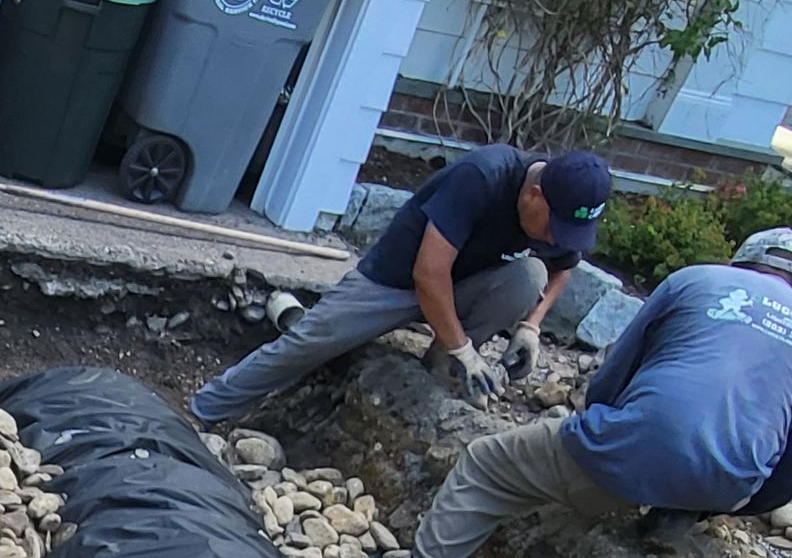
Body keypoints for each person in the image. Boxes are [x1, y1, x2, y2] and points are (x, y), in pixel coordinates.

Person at [353, 228, 792, 558]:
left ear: (744, 262)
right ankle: (678, 508)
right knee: (707, 457)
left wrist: (594, 439)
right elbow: (786, 476)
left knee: (485, 465)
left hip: (637, 442)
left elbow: (613, 378)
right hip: (730, 481)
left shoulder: (698, 280)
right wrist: (723, 501)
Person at [188, 144, 614, 425]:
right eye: (554, 227)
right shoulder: (483, 177)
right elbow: (428, 274)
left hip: (461, 289)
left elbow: (563, 266)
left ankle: (436, 372)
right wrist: (464, 350)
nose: (556, 239)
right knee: (308, 342)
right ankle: (205, 410)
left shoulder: (554, 216)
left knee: (530, 275)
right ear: (534, 194)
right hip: (393, 282)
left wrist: (532, 326)